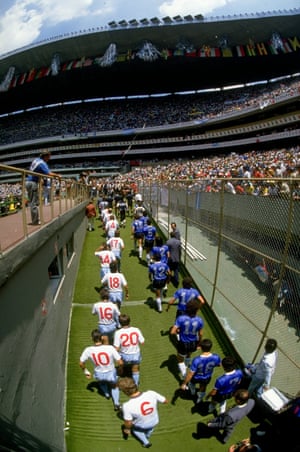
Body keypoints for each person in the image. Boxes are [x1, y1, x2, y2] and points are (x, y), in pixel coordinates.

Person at [79, 329, 123, 411]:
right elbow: (120, 362)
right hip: (110, 372)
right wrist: (120, 369)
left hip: (99, 373)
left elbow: (81, 363)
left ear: (91, 338)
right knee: (114, 387)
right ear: (102, 338)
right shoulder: (110, 348)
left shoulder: (88, 350)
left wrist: (86, 371)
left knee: (102, 383)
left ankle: (106, 394)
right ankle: (116, 404)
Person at [118, 376, 168, 448]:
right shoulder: (151, 393)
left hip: (141, 425)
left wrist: (127, 429)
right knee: (150, 429)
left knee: (135, 430)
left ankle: (146, 442)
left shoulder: (127, 406)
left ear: (125, 392)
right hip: (155, 421)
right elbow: (165, 401)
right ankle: (147, 436)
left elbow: (128, 423)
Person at [170, 298, 204, 379]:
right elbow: (201, 334)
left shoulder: (181, 319)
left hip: (183, 343)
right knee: (189, 353)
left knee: (180, 360)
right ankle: (188, 364)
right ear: (197, 309)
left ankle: (185, 376)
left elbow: (172, 332)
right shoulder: (199, 320)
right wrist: (199, 343)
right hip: (193, 342)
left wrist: (179, 332)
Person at [181, 338, 221, 404]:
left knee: (191, 383)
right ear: (210, 347)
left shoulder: (197, 360)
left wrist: (184, 383)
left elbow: (191, 374)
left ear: (201, 348)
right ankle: (199, 399)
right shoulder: (216, 357)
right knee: (203, 387)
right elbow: (219, 365)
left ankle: (193, 392)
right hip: (206, 377)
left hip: (196, 377)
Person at [25, 150, 60, 225]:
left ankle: (35, 219)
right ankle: (35, 221)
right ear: (45, 156)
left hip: (29, 182)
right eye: (48, 157)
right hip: (32, 183)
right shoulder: (42, 163)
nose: (49, 159)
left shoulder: (36, 160)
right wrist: (58, 175)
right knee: (33, 203)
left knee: (34, 201)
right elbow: (49, 173)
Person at [113, 314, 145, 386]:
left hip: (125, 355)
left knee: (121, 366)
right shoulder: (136, 330)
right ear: (129, 321)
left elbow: (117, 348)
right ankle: (136, 384)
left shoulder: (118, 333)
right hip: (136, 354)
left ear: (120, 322)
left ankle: (116, 378)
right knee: (135, 369)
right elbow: (142, 342)